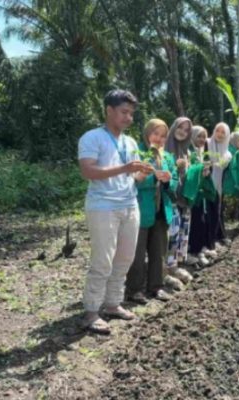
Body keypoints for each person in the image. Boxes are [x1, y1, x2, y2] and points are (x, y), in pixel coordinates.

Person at [77, 89, 153, 335]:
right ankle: (91, 311)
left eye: (131, 113)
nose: (128, 118)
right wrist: (125, 168)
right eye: (124, 112)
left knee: (125, 259)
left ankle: (112, 304)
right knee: (103, 260)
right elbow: (88, 171)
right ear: (109, 110)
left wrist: (146, 173)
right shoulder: (92, 138)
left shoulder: (129, 142)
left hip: (129, 205)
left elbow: (133, 177)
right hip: (103, 206)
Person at [126, 119, 179, 304]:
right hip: (141, 209)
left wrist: (168, 179)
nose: (159, 139)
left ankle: (156, 287)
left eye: (163, 136)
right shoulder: (137, 152)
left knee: (158, 252)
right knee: (138, 253)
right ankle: (134, 290)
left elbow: (174, 182)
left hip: (161, 211)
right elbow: (131, 182)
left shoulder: (167, 157)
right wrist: (152, 178)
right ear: (147, 133)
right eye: (155, 134)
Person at [164, 117, 196, 282]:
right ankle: (167, 269)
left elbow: (188, 176)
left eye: (186, 130)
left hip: (184, 199)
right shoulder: (164, 149)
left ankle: (175, 265)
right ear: (173, 127)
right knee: (171, 234)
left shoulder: (187, 152)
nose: (182, 132)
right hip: (170, 200)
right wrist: (176, 167)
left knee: (182, 233)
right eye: (180, 128)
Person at [186, 126, 216, 265]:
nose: (202, 139)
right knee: (194, 223)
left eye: (204, 137)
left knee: (201, 221)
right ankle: (193, 251)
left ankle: (199, 249)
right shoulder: (189, 152)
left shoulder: (202, 152)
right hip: (192, 195)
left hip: (200, 194)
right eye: (198, 136)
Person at [207, 123, 233, 247]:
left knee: (216, 212)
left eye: (223, 132)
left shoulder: (227, 154)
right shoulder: (206, 143)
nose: (220, 134)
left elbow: (220, 164)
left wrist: (213, 163)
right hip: (203, 185)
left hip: (217, 186)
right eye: (218, 130)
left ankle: (215, 238)